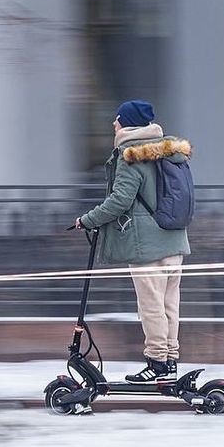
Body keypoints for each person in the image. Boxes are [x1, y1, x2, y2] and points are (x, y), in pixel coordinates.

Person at [76, 100, 191, 383]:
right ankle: (170, 360)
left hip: (146, 247)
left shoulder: (131, 156)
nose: (114, 124)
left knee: (150, 307)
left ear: (128, 123)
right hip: (174, 240)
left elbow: (119, 201)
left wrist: (88, 220)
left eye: (117, 119)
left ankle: (156, 362)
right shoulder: (170, 153)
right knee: (169, 306)